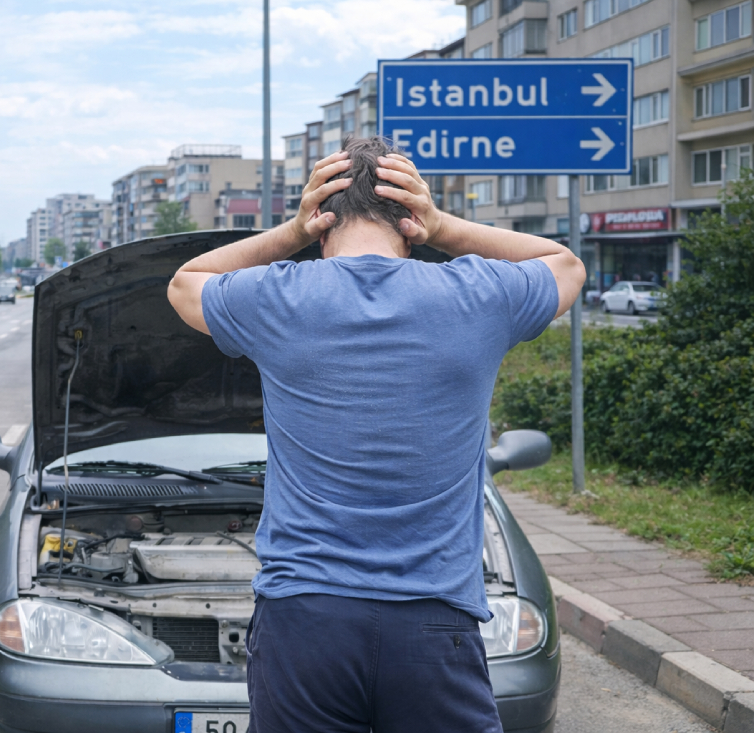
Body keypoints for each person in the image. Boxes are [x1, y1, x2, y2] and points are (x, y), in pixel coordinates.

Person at [167, 136, 585, 733]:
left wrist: (290, 232)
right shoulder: (479, 295)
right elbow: (565, 265)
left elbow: (186, 283)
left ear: (321, 220)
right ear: (409, 219)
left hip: (304, 616)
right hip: (435, 620)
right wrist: (443, 228)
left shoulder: (277, 296)